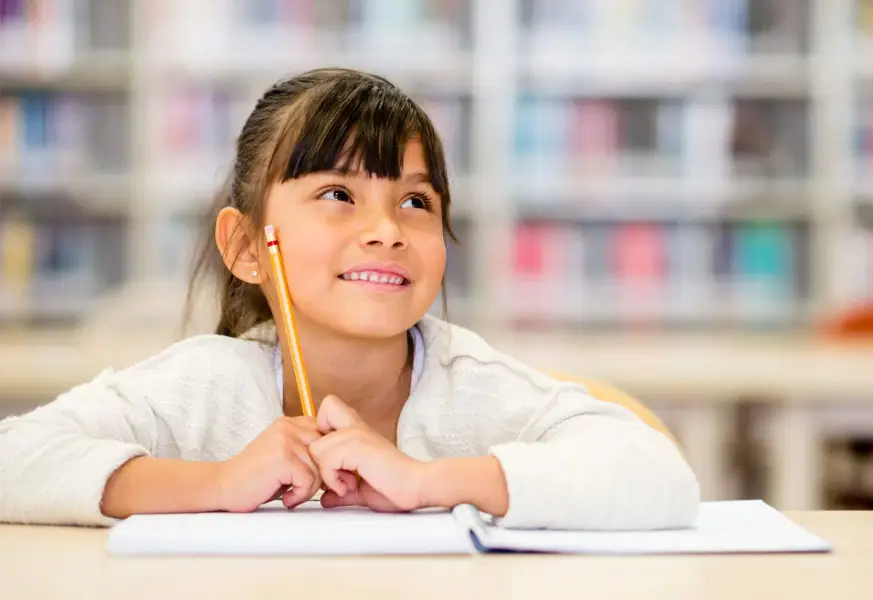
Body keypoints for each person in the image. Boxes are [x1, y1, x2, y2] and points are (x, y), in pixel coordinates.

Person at [0, 68, 699, 529]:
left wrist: (425, 480)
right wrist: (215, 482)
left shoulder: (478, 391)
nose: (386, 231)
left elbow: (661, 478)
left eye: (416, 201)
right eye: (338, 194)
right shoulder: (199, 388)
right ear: (247, 247)